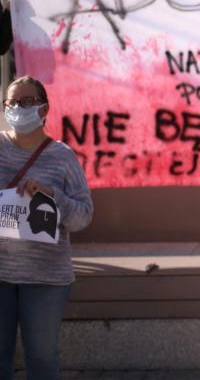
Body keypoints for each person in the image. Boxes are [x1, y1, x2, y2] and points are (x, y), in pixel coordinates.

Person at [1, 76, 94, 380]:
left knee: (41, 359)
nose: (17, 108)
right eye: (11, 102)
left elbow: (83, 216)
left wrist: (53, 197)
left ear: (44, 110)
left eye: (27, 102)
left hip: (45, 278)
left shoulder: (62, 156)